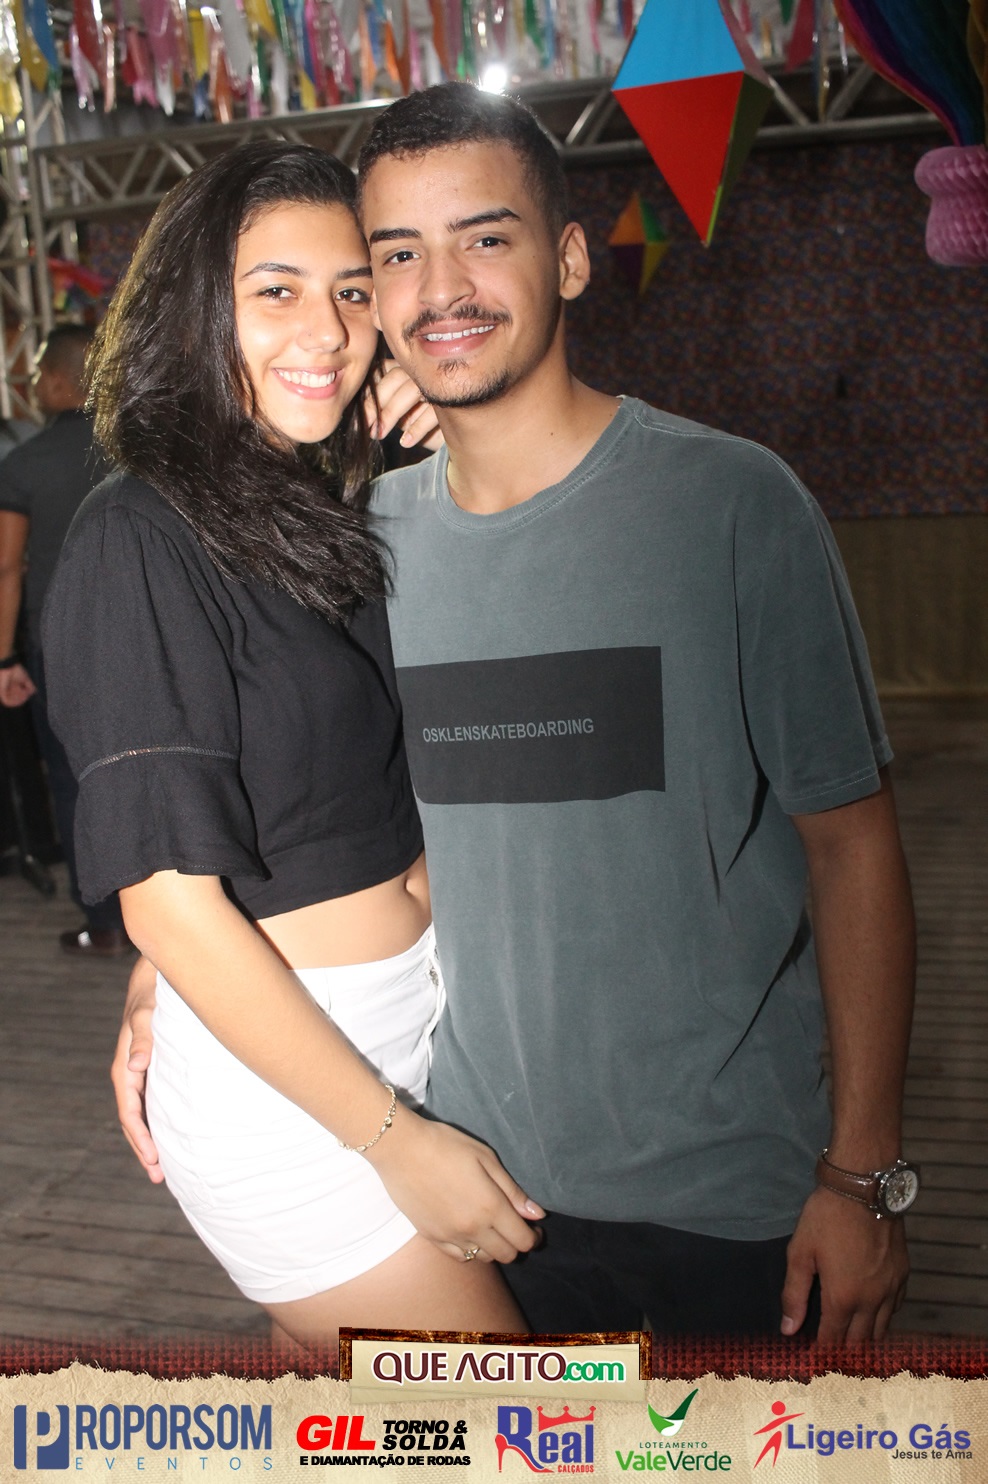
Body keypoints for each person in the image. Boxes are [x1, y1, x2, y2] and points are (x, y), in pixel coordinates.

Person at [116, 87, 917, 1344]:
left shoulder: (730, 503)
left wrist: (861, 1171)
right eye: (396, 256)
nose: (442, 288)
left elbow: (853, 845)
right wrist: (159, 971)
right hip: (469, 1185)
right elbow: (293, 788)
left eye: (484, 238)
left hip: (733, 1199)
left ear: (570, 258)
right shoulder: (360, 543)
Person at [43, 140, 540, 1349]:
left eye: (352, 291)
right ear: (194, 307)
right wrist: (394, 1138)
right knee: (523, 1423)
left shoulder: (320, 505)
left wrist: (456, 427)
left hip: (406, 1032)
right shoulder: (137, 534)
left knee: (352, 1415)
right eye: (276, 290)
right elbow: (173, 905)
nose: (326, 330)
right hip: (299, 1101)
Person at [0, 325, 129, 952]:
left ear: (56, 381)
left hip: (63, 645)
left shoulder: (23, 464)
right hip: (141, 634)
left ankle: (105, 924)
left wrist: (5, 658)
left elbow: (6, 569)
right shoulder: (136, 446)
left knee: (74, 781)